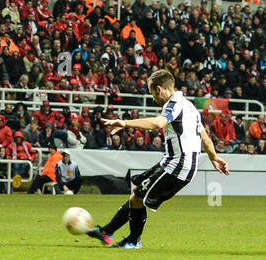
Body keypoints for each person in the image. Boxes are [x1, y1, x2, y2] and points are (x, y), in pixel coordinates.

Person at [90, 69, 230, 249]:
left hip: (179, 165)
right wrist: (214, 157)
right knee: (136, 194)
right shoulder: (190, 107)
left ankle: (133, 240)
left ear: (159, 89)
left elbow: (157, 123)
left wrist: (125, 123)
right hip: (171, 161)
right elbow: (205, 138)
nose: (154, 98)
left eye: (152, 94)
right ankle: (107, 232)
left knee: (138, 197)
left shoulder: (174, 104)